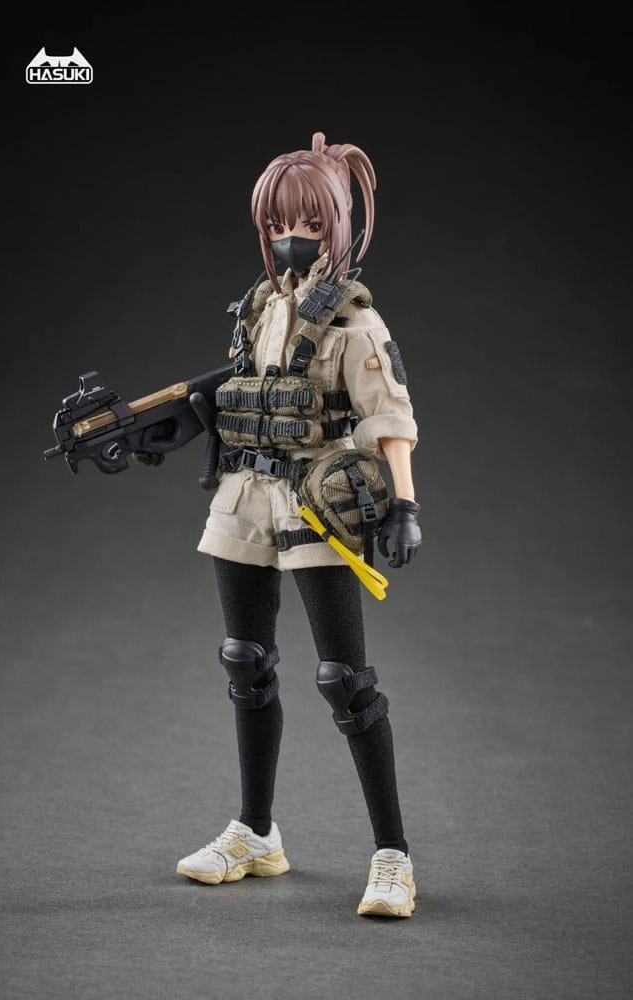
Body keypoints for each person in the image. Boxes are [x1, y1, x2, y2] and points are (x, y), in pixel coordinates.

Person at [176, 132, 422, 917]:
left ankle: (392, 855)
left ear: (337, 227)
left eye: (310, 224)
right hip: (244, 494)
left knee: (344, 679)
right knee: (244, 662)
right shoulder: (258, 307)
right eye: (279, 223)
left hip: (318, 498)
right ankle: (255, 833)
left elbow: (390, 420)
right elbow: (241, 391)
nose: (293, 237)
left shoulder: (354, 321)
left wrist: (404, 506)